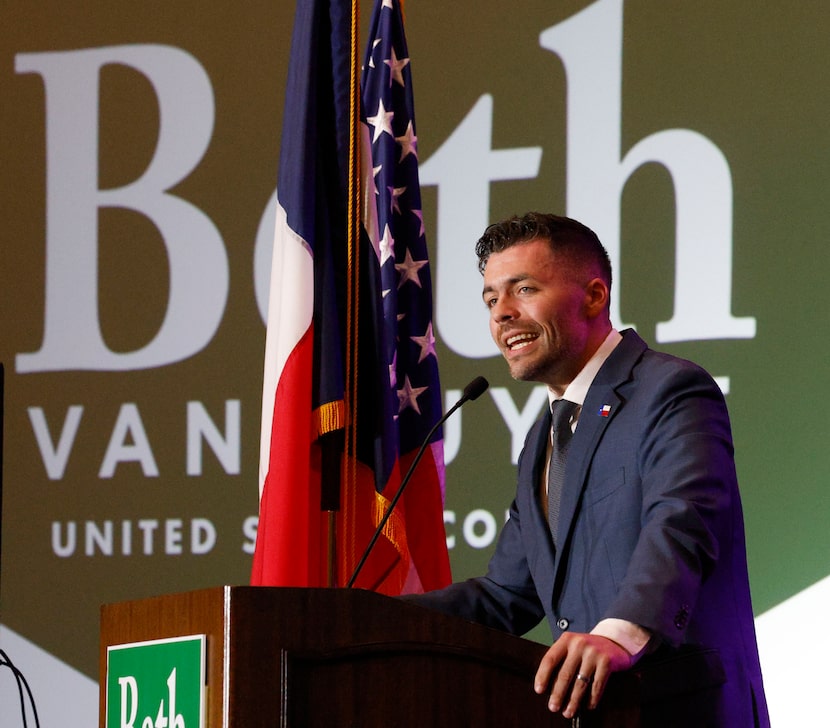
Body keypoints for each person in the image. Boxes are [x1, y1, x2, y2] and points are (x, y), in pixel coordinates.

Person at [406, 212, 769, 725]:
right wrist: (374, 619)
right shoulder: (543, 436)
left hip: (682, 710)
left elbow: (682, 521)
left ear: (594, 296)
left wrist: (618, 632)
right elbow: (507, 595)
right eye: (491, 299)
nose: (501, 314)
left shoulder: (669, 390)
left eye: (523, 289)